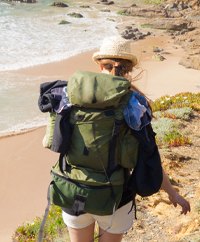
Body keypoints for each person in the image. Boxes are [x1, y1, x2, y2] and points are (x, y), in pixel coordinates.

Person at [58, 36, 191, 242]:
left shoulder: (71, 95)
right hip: (115, 196)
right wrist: (172, 194)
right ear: (128, 70)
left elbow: (51, 142)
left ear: (98, 65)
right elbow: (149, 158)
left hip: (74, 191)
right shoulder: (134, 105)